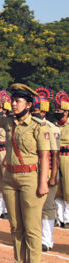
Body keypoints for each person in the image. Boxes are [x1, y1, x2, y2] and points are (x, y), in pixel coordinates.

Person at [0, 84, 50, 263]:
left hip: (30, 178)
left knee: (31, 227)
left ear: (29, 105)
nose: (13, 104)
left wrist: (43, 183)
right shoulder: (8, 122)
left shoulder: (39, 126)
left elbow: (45, 156)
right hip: (10, 178)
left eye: (18, 100)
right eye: (12, 100)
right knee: (16, 226)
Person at [31, 88, 59, 252]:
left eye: (36, 111)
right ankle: (35, 238)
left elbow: (54, 155)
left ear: (43, 111)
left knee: (47, 207)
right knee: (33, 206)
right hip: (32, 172)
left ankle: (47, 240)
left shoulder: (51, 128)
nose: (34, 113)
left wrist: (53, 176)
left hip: (47, 171)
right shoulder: (29, 126)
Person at [53, 90, 69, 228]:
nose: (58, 112)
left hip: (68, 158)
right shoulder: (54, 126)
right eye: (56, 109)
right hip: (56, 158)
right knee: (57, 189)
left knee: (68, 188)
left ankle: (67, 217)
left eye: (60, 110)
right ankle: (60, 217)